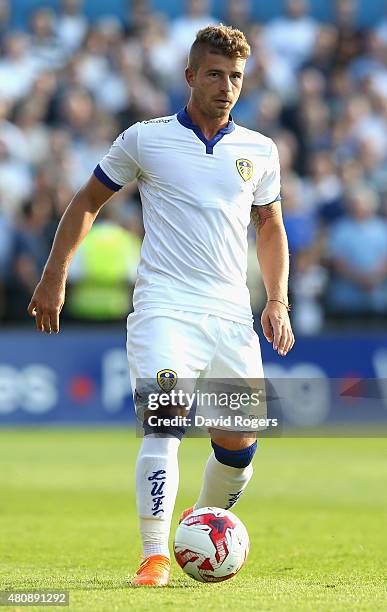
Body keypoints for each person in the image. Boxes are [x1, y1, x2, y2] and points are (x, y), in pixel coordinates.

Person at [28, 24, 294, 587]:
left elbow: (270, 225)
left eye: (237, 77)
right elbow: (86, 201)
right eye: (216, 74)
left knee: (238, 444)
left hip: (230, 314)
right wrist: (54, 277)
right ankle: (153, 556)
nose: (227, 86)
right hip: (165, 307)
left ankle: (198, 529)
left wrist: (277, 299)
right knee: (165, 421)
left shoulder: (259, 150)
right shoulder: (145, 139)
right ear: (191, 76)